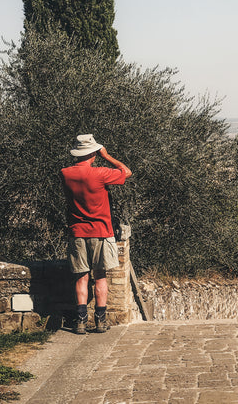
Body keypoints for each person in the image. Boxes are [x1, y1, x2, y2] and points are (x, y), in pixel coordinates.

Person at [61, 134, 132, 334]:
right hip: (101, 232)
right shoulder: (100, 173)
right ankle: (101, 321)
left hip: (77, 232)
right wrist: (107, 156)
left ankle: (81, 322)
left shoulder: (65, 173)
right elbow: (126, 172)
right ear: (93, 153)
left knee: (81, 278)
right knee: (100, 277)